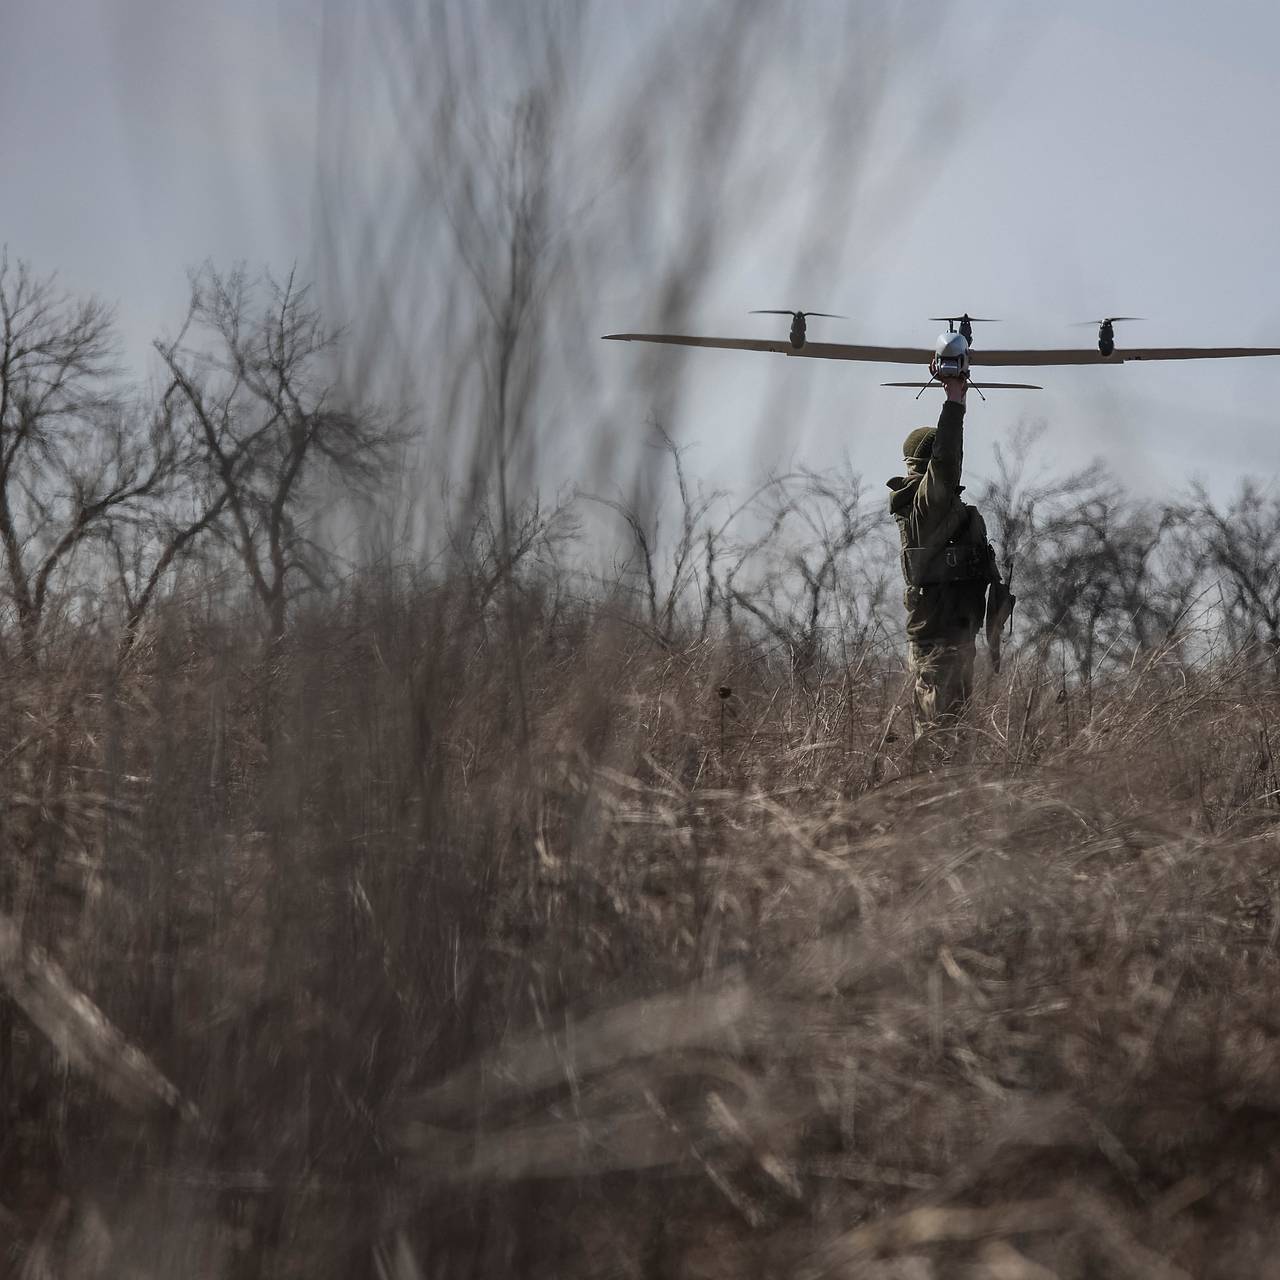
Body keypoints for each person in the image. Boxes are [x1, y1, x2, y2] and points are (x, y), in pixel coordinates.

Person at [886, 363, 1010, 754]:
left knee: (951, 737)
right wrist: (955, 400)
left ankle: (950, 806)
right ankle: (929, 810)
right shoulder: (929, 504)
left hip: (952, 641)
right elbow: (945, 461)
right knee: (939, 742)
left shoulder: (936, 510)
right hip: (938, 645)